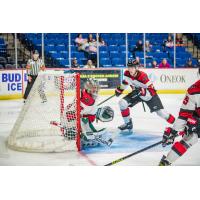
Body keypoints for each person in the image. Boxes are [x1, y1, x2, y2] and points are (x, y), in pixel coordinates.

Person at [115, 59, 175, 132]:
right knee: (122, 103)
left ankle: (177, 125)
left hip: (149, 95)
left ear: (136, 68)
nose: (130, 69)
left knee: (161, 113)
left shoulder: (143, 76)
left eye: (132, 67)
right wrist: (119, 90)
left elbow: (151, 89)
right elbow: (126, 82)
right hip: (137, 93)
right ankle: (128, 123)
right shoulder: (127, 73)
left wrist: (143, 92)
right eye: (129, 67)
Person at [159, 67, 200, 166]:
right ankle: (166, 162)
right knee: (191, 137)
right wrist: (174, 131)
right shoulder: (193, 90)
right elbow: (184, 114)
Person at [64, 79, 114, 147]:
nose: (95, 89)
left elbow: (87, 111)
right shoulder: (86, 98)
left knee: (85, 121)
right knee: (84, 123)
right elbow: (85, 111)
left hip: (73, 116)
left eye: (96, 87)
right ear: (88, 87)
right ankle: (83, 137)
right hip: (71, 118)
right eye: (93, 87)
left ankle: (81, 135)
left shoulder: (87, 94)